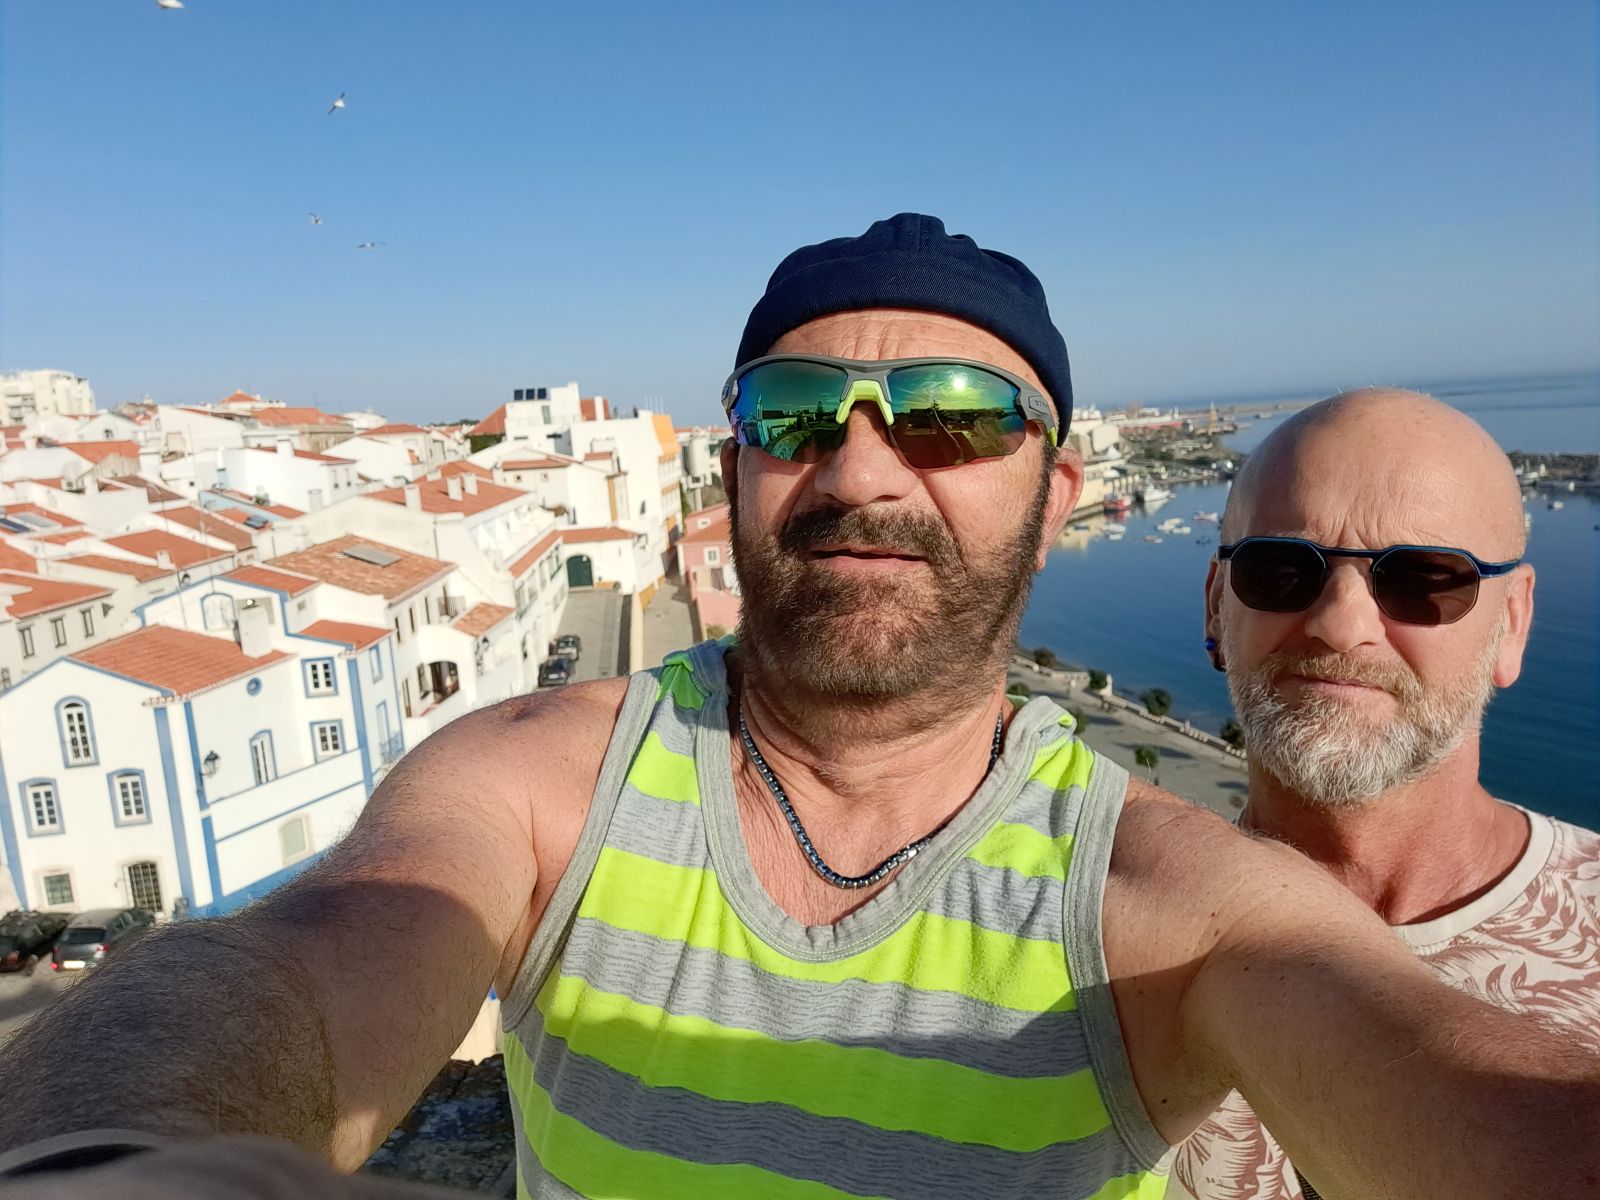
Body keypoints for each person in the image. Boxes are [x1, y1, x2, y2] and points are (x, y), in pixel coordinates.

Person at [0, 217, 1593, 1200]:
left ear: (1060, 497)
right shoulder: (543, 779)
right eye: (794, 415)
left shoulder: (1162, 890)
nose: (861, 468)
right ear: (735, 475)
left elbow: (1440, 1080)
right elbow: (308, 959)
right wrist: (125, 1156)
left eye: (953, 422)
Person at [1171, 390, 1600, 1200]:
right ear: (1215, 606)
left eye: (1424, 578)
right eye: (1281, 568)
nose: (1342, 626)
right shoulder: (1106, 947)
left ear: (1512, 624)